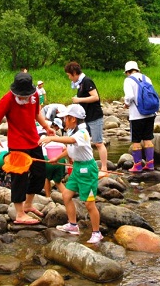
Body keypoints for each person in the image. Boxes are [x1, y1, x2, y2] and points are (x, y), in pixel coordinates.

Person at [0, 72, 55, 225]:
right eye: (22, 95)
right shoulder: (7, 99)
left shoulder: (34, 97)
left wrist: (46, 127)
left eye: (27, 95)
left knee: (40, 173)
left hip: (33, 141)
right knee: (19, 178)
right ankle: (19, 214)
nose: (24, 97)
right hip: (17, 144)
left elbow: (36, 114)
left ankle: (28, 204)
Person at [41, 104, 103, 244]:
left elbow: (72, 141)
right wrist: (57, 158)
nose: (64, 121)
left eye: (65, 118)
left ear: (73, 119)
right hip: (77, 167)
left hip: (87, 170)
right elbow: (70, 148)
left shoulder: (82, 133)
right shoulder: (73, 131)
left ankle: (96, 232)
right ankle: (73, 225)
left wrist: (52, 138)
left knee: (89, 204)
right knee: (66, 195)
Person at [64, 61, 109, 178]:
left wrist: (79, 100)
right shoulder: (80, 83)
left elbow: (95, 97)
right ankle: (88, 164)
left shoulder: (87, 81)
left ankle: (104, 168)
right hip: (85, 117)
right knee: (84, 141)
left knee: (98, 142)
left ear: (74, 73)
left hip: (94, 116)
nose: (69, 78)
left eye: (69, 75)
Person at [123, 61, 157, 172]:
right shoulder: (147, 78)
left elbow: (130, 96)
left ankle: (137, 166)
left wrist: (126, 104)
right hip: (151, 112)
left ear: (127, 71)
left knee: (136, 141)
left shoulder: (128, 80)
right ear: (137, 69)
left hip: (137, 115)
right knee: (148, 138)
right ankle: (150, 164)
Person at [43, 118, 67, 198]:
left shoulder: (43, 137)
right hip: (60, 160)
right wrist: (70, 160)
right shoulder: (58, 138)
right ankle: (67, 196)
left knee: (47, 179)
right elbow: (65, 149)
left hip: (48, 159)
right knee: (58, 182)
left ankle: (48, 197)